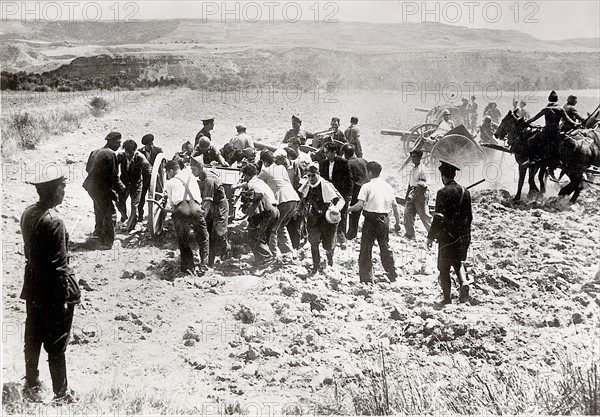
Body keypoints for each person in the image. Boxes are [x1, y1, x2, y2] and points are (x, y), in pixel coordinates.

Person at [21, 176, 79, 404]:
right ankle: (61, 393)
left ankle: (31, 383)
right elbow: (59, 266)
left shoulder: (27, 213)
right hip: (52, 288)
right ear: (54, 191)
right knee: (57, 341)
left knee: (33, 335)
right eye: (62, 187)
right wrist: (64, 296)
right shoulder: (55, 221)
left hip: (33, 284)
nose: (64, 191)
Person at [426, 160, 473, 305]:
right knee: (456, 261)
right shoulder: (465, 191)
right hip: (462, 235)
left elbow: (438, 218)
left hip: (447, 237)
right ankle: (463, 285)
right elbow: (469, 217)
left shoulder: (442, 192)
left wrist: (430, 237)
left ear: (443, 176)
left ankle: (447, 299)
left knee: (443, 267)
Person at [348, 160, 401, 283]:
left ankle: (366, 278)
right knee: (385, 247)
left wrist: (348, 210)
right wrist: (397, 222)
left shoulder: (366, 187)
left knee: (366, 248)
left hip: (370, 220)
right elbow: (395, 206)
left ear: (370, 172)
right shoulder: (387, 186)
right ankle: (392, 273)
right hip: (384, 219)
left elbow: (359, 205)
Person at [162, 160, 209, 274]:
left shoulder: (170, 182)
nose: (168, 175)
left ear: (171, 171)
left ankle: (188, 267)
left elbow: (171, 203)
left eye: (168, 173)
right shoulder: (191, 177)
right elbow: (198, 196)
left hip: (182, 211)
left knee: (183, 239)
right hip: (196, 209)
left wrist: (169, 209)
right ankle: (204, 265)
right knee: (204, 237)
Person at [298, 162, 344, 274]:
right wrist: (298, 211)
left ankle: (329, 256)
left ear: (318, 174)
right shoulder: (306, 186)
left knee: (328, 245)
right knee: (314, 243)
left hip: (327, 219)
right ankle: (316, 266)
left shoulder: (327, 185)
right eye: (309, 175)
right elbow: (303, 200)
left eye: (313, 175)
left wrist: (337, 208)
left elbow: (341, 200)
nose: (311, 178)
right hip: (313, 218)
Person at [82, 132, 124, 248]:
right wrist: (121, 189)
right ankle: (107, 242)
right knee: (110, 213)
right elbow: (115, 176)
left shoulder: (94, 152)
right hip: (102, 188)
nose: (119, 145)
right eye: (118, 142)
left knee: (99, 208)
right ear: (110, 142)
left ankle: (98, 233)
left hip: (90, 187)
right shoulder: (111, 154)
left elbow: (87, 169)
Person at [233, 163, 279, 269]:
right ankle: (262, 262)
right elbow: (248, 184)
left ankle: (267, 258)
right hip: (275, 210)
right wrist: (238, 186)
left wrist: (250, 209)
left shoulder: (254, 185)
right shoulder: (258, 181)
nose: (244, 178)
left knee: (253, 236)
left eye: (244, 175)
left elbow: (259, 195)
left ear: (247, 175)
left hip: (266, 210)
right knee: (264, 237)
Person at [259, 151, 301, 257]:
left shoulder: (265, 171)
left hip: (283, 200)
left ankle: (274, 254)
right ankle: (288, 252)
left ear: (264, 162)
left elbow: (255, 182)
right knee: (281, 227)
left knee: (272, 228)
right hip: (293, 198)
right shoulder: (281, 168)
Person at [190, 157, 230, 267]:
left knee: (218, 232)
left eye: (194, 170)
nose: (192, 172)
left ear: (200, 168)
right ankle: (208, 259)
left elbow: (206, 203)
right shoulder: (202, 176)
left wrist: (200, 219)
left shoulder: (209, 181)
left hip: (220, 206)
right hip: (212, 206)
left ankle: (226, 249)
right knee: (208, 233)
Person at [525, 90, 578, 167]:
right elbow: (569, 120)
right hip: (557, 133)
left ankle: (531, 160)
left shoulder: (546, 109)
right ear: (557, 100)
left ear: (549, 99)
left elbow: (534, 118)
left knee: (530, 140)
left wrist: (526, 122)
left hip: (546, 132)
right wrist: (576, 124)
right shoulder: (560, 109)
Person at [320, 142, 353, 249]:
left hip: (341, 193)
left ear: (334, 152)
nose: (326, 155)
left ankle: (342, 239)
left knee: (342, 216)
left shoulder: (343, 163)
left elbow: (349, 180)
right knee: (328, 213)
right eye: (324, 153)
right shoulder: (324, 163)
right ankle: (329, 238)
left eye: (327, 153)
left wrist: (348, 195)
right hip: (329, 193)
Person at [116, 140, 152, 232]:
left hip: (136, 184)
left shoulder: (140, 157)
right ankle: (124, 216)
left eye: (131, 152)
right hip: (124, 183)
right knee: (119, 201)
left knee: (134, 206)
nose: (128, 154)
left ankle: (131, 227)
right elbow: (113, 166)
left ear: (134, 150)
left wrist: (148, 183)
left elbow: (148, 169)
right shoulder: (121, 156)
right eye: (127, 151)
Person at [403, 149, 432, 240]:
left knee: (424, 215)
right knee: (408, 214)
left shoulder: (422, 169)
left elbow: (422, 185)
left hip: (421, 193)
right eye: (412, 157)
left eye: (415, 157)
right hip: (413, 191)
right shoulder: (413, 169)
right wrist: (407, 194)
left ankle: (433, 235)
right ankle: (410, 234)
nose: (413, 159)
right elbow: (410, 183)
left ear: (420, 158)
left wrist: (413, 195)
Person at [342, 144, 368, 240]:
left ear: (344, 154)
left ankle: (351, 233)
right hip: (366, 187)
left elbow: (348, 180)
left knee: (353, 212)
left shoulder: (348, 164)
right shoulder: (363, 160)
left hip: (356, 190)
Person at [138, 134, 163, 220]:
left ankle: (156, 216)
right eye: (149, 145)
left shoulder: (158, 151)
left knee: (156, 197)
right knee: (141, 198)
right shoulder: (140, 152)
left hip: (156, 179)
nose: (151, 146)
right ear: (145, 145)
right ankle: (140, 216)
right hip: (144, 179)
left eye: (152, 143)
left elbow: (161, 164)